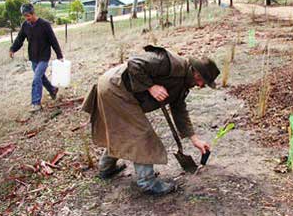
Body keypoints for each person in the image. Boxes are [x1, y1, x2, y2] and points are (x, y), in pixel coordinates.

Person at [82, 45, 220, 196]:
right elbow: (134, 63)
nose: (200, 85)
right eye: (201, 80)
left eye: (204, 83)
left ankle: (106, 168)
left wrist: (194, 139)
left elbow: (179, 109)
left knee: (122, 131)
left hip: (118, 88)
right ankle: (147, 183)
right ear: (195, 70)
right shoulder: (169, 62)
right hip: (116, 87)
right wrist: (151, 87)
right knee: (142, 135)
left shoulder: (184, 82)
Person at [9, 3, 63, 112]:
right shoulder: (25, 25)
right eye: (25, 16)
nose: (27, 18)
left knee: (36, 78)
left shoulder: (44, 24)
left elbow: (53, 40)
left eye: (28, 16)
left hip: (44, 56)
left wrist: (59, 55)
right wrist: (12, 49)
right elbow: (20, 39)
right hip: (33, 57)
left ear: (33, 13)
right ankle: (52, 90)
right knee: (41, 77)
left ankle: (36, 103)